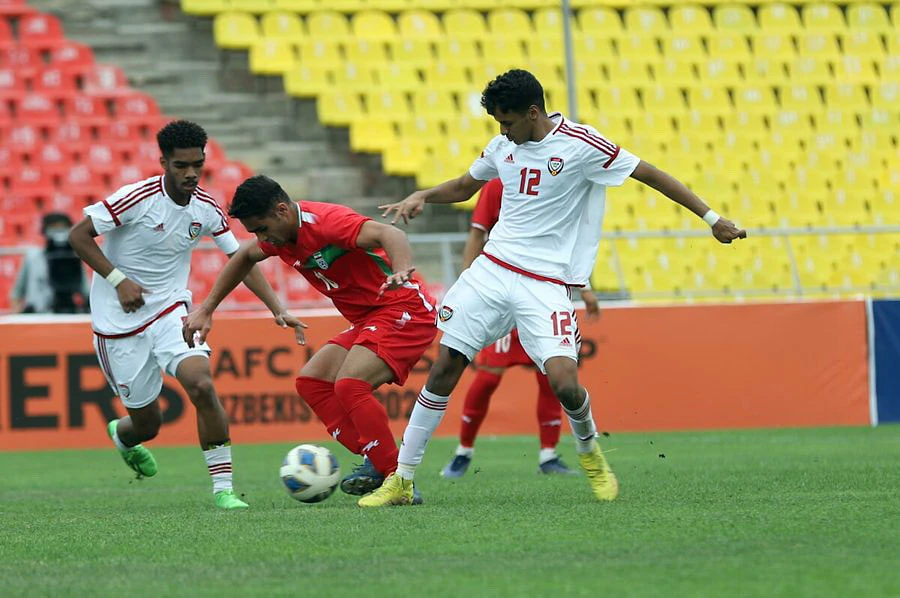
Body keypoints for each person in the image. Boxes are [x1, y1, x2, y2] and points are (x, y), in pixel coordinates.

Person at [360, 69, 746, 507]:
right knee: (447, 365)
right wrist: (424, 195)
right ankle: (403, 478)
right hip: (493, 270)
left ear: (532, 112)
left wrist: (712, 220)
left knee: (564, 382)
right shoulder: (503, 146)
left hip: (544, 283)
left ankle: (588, 449)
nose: (502, 132)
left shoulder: (582, 144)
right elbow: (466, 186)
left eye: (507, 122)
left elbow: (651, 175)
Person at [68, 120, 287, 510]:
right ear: (163, 163)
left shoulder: (206, 208)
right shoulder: (136, 198)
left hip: (171, 311)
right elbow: (78, 236)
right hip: (117, 324)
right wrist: (119, 281)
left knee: (201, 384)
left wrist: (277, 307)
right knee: (148, 425)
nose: (190, 173)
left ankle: (224, 490)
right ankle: (124, 436)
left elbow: (242, 258)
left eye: (197, 165)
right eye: (181, 165)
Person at [181, 175, 436, 502]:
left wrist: (401, 270)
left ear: (282, 210)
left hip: (404, 308)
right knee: (312, 382)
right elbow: (243, 257)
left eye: (262, 229)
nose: (262, 239)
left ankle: (396, 480)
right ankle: (378, 457)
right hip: (369, 318)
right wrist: (207, 308)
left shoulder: (328, 223)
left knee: (350, 384)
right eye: (255, 233)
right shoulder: (280, 236)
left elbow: (391, 233)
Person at [440, 178, 600, 478]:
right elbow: (477, 234)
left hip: (540, 295)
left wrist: (585, 287)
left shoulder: (556, 182)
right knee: (488, 377)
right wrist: (467, 286)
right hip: (500, 291)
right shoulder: (499, 183)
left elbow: (564, 244)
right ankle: (463, 451)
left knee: (550, 376)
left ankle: (548, 455)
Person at [10, 212, 90, 314]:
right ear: (44, 231)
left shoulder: (75, 257)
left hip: (68, 314)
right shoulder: (32, 257)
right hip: (37, 314)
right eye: (54, 228)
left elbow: (85, 291)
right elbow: (17, 293)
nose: (58, 233)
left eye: (62, 228)